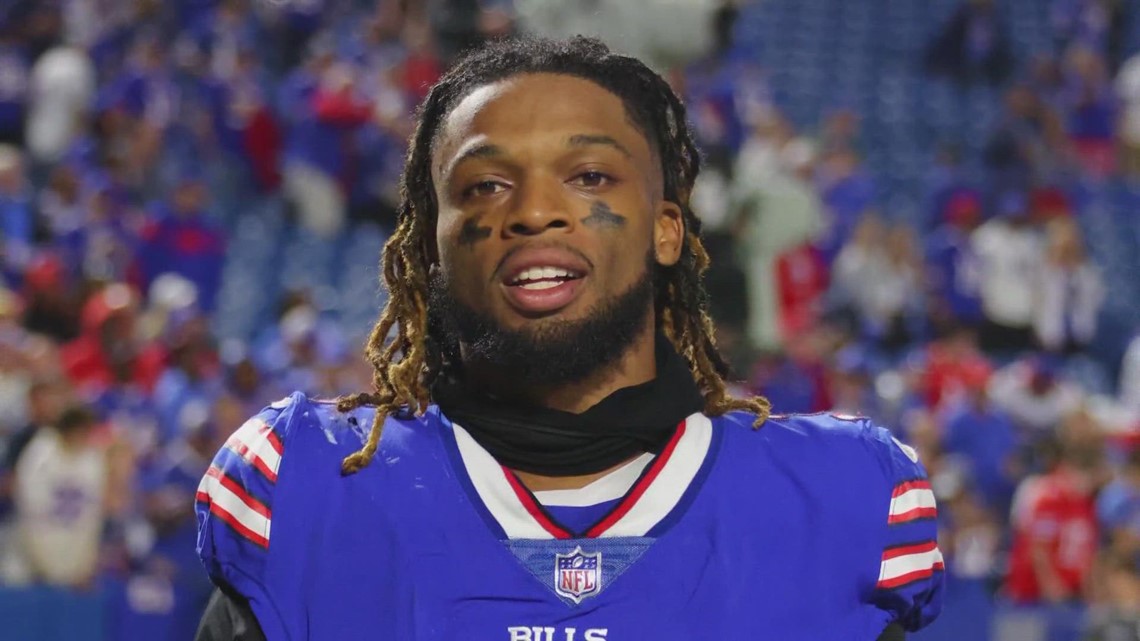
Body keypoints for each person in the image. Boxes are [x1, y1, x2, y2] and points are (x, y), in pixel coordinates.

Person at [194, 36, 943, 640]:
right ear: (429, 246)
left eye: (589, 175)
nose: (535, 211)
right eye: (484, 185)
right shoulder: (311, 486)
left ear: (666, 229)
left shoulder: (834, 500)